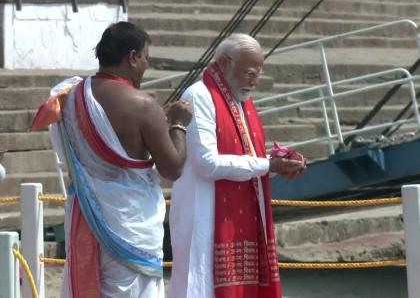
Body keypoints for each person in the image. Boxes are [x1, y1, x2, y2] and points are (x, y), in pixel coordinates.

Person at [31, 21, 192, 297]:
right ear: (132, 57)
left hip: (86, 218)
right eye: (145, 59)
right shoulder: (144, 105)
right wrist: (178, 124)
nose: (145, 66)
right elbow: (173, 168)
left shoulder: (69, 97)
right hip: (131, 224)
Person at [168, 33, 306, 298]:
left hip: (237, 216)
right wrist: (267, 164)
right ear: (223, 63)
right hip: (203, 216)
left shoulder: (241, 102)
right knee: (200, 288)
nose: (254, 81)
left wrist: (281, 165)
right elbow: (206, 164)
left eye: (258, 74)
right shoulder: (200, 96)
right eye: (249, 72)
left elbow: (250, 161)